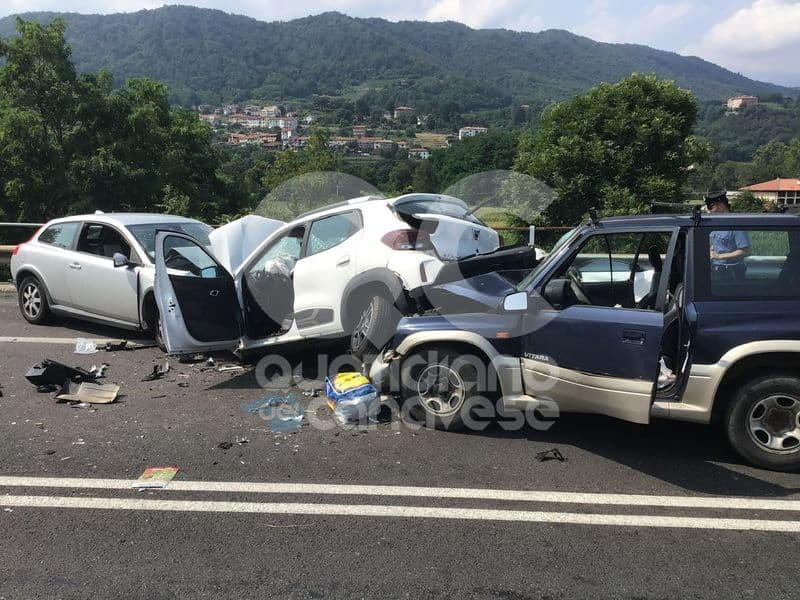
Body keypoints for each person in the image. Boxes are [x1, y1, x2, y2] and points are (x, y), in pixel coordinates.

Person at [705, 191, 751, 281]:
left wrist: (719, 256)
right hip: (716, 270)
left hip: (732, 273)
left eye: (711, 208)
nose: (709, 212)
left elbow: (746, 251)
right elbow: (717, 243)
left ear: (721, 206)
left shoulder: (735, 224)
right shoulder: (716, 224)